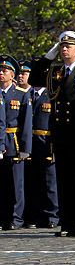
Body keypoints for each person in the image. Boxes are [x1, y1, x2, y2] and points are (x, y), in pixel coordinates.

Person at [29, 32, 75, 237]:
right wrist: (48, 56)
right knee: (63, 179)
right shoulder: (54, 70)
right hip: (60, 132)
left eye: (68, 47)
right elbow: (34, 78)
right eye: (61, 47)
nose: (64, 50)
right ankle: (68, 222)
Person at [23, 77, 59, 229]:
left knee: (50, 182)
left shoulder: (53, 95)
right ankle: (34, 215)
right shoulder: (26, 94)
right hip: (30, 142)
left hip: (46, 143)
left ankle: (52, 215)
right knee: (32, 181)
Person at [0, 55, 30, 230]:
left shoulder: (21, 94)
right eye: (0, 70)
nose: (1, 73)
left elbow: (25, 123)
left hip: (14, 142)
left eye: (5, 71)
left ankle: (16, 218)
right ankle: (2, 216)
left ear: (13, 75)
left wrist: (25, 148)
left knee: (16, 183)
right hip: (1, 141)